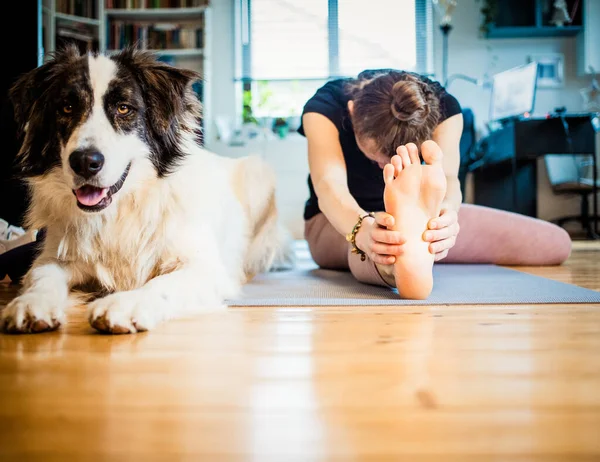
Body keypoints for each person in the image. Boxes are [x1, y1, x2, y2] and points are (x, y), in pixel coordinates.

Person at [298, 69, 572, 299]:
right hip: (337, 221)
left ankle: (415, 244)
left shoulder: (443, 109)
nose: (384, 167)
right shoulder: (326, 107)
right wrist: (362, 230)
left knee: (555, 243)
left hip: (425, 221)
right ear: (352, 110)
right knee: (384, 240)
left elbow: (450, 180)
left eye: (391, 158)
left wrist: (447, 218)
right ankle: (401, 263)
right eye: (376, 157)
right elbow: (329, 188)